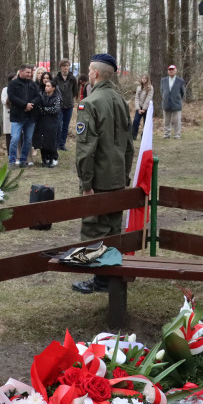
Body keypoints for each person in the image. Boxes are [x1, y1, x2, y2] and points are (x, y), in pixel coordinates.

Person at [72, 54, 135, 295]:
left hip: (99, 180)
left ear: (95, 74)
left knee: (94, 229)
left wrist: (86, 183)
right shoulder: (120, 100)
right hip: (118, 177)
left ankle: (99, 280)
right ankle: (109, 277)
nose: (88, 74)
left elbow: (85, 149)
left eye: (89, 70)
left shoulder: (89, 103)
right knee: (112, 229)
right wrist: (125, 175)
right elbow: (129, 144)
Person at [7, 64, 39, 166]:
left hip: (31, 116)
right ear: (21, 72)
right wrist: (24, 105)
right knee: (15, 139)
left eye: (30, 72)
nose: (29, 74)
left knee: (28, 140)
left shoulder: (33, 85)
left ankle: (23, 160)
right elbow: (12, 97)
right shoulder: (13, 84)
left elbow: (38, 97)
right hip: (17, 115)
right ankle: (12, 160)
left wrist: (30, 105)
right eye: (27, 72)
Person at [35, 77, 61, 167]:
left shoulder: (57, 98)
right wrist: (45, 110)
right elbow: (39, 108)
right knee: (43, 141)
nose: (46, 88)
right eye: (46, 86)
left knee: (51, 141)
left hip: (52, 122)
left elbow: (55, 109)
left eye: (49, 86)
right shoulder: (42, 97)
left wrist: (45, 110)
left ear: (53, 88)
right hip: (42, 122)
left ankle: (51, 159)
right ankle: (44, 159)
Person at [55, 60, 77, 150]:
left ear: (69, 67)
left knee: (65, 126)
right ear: (61, 67)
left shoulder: (73, 78)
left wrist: (71, 98)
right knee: (58, 125)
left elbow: (75, 91)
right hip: (59, 105)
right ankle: (57, 144)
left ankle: (62, 144)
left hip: (69, 105)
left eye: (67, 66)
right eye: (64, 66)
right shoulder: (56, 78)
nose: (65, 67)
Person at [160, 64, 186, 139]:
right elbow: (162, 91)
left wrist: (178, 99)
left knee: (177, 120)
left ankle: (177, 135)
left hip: (176, 103)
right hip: (166, 103)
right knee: (166, 121)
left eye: (172, 69)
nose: (171, 71)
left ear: (175, 71)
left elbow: (182, 92)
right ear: (168, 71)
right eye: (169, 70)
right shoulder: (163, 80)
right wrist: (165, 97)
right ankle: (166, 134)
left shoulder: (180, 81)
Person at [132, 74, 152, 140]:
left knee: (146, 123)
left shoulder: (150, 88)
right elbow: (136, 98)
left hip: (147, 108)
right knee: (135, 121)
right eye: (143, 78)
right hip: (139, 108)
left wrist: (144, 108)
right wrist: (138, 108)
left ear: (147, 79)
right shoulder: (139, 87)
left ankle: (144, 136)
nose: (144, 79)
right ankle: (133, 135)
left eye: (145, 78)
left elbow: (148, 98)